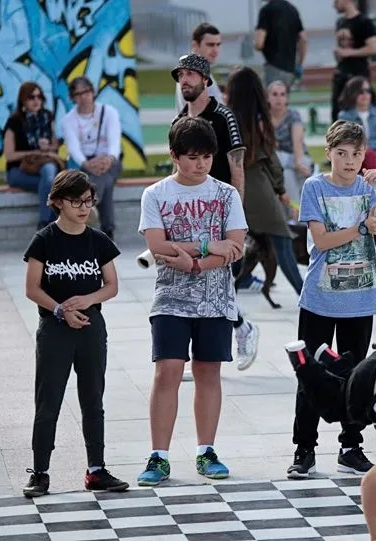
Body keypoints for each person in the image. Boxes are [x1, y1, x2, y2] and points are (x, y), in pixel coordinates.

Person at [135, 117, 247, 487]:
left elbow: (234, 246)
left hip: (215, 299)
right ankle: (159, 456)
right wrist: (203, 245)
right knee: (167, 370)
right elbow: (156, 245)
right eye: (192, 157)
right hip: (170, 297)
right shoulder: (156, 194)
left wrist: (194, 262)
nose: (200, 165)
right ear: (174, 156)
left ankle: (206, 450)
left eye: (206, 157)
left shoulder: (226, 194)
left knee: (208, 371)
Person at [288, 120, 376, 480]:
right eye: (342, 153)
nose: (350, 161)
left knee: (356, 377)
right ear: (329, 153)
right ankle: (304, 449)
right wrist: (362, 226)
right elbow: (321, 241)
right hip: (320, 298)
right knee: (311, 376)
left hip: (360, 298)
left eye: (357, 154)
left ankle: (351, 446)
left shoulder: (367, 187)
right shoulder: (315, 187)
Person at [22, 170, 128, 498]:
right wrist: (60, 310)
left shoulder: (98, 241)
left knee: (93, 399)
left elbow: (111, 286)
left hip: (91, 329)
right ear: (57, 202)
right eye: (75, 201)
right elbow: (32, 288)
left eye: (88, 201)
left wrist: (88, 299)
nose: (83, 208)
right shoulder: (44, 240)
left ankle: (96, 469)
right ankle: (40, 472)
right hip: (54, 331)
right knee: (48, 400)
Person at [171, 53, 260, 368]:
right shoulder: (179, 121)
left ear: (206, 79)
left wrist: (237, 218)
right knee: (196, 283)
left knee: (220, 282)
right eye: (181, 75)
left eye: (192, 74)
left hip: (220, 213)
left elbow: (237, 167)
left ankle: (239, 329)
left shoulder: (224, 116)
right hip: (190, 215)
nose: (186, 80)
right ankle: (233, 332)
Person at [283, 342, 376, 541]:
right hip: (371, 381)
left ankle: (332, 360)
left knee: (351, 392)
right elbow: (369, 484)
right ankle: (303, 362)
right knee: (334, 409)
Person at [225, 68, 304, 296]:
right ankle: (305, 294)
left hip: (231, 186)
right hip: (257, 186)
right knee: (281, 241)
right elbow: (271, 159)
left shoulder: (227, 116)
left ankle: (227, 291)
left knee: (232, 240)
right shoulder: (257, 120)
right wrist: (280, 189)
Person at [60, 77, 122, 240]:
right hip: (85, 164)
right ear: (73, 97)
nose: (83, 97)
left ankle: (88, 204)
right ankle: (108, 231)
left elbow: (114, 142)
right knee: (106, 181)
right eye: (78, 94)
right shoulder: (69, 120)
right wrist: (87, 164)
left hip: (110, 160)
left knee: (105, 173)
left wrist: (108, 159)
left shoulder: (109, 112)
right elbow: (73, 148)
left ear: (93, 92)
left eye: (86, 92)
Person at [3, 82, 62, 230]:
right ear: (23, 100)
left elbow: (55, 146)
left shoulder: (47, 117)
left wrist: (48, 147)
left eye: (39, 97)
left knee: (49, 174)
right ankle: (51, 226)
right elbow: (9, 155)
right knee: (55, 187)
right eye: (31, 97)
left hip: (43, 168)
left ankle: (44, 224)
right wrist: (32, 152)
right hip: (19, 171)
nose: (36, 101)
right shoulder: (14, 121)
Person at [267, 80, 313, 218]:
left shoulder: (293, 115)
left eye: (282, 94)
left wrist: (298, 161)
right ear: (267, 97)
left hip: (295, 156)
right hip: (276, 158)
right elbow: (268, 146)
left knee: (296, 168)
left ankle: (295, 213)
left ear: (286, 97)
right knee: (285, 171)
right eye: (274, 94)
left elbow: (297, 142)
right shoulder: (263, 117)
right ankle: (297, 214)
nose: (279, 98)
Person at [331, 0, 376, 123]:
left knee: (359, 113)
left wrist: (350, 52)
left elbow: (373, 48)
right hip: (341, 74)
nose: (334, 5)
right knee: (337, 114)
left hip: (358, 74)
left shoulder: (364, 22)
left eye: (336, 1)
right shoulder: (340, 22)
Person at [337, 76, 376, 164]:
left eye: (368, 91)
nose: (365, 94)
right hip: (357, 155)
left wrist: (370, 151)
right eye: (360, 92)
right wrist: (370, 152)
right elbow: (349, 143)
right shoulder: (344, 116)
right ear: (352, 93)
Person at [255, 0, 308, 88]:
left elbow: (259, 43)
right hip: (290, 70)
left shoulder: (266, 11)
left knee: (270, 99)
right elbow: (303, 39)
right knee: (283, 100)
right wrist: (299, 64)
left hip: (273, 67)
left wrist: (255, 43)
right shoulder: (293, 10)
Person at [175, 23, 224, 112]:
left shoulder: (199, 70)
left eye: (218, 45)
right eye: (210, 45)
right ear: (195, 45)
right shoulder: (194, 74)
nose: (215, 50)